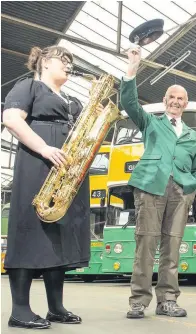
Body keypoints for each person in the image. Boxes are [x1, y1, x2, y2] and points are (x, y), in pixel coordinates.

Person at [1, 45, 97, 329]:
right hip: (38, 165)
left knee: (59, 236)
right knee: (30, 232)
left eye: (71, 61)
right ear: (43, 62)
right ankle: (20, 310)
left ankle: (56, 308)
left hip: (67, 172)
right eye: (63, 60)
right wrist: (44, 148)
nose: (68, 65)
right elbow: (10, 119)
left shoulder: (72, 100)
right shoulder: (28, 86)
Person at [120, 43, 196, 319]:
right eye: (172, 97)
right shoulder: (151, 123)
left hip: (179, 193)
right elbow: (129, 103)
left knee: (172, 246)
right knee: (146, 243)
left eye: (181, 98)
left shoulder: (192, 136)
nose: (176, 101)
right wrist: (132, 68)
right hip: (150, 188)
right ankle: (138, 300)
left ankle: (168, 299)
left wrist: (188, 189)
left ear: (186, 103)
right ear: (166, 100)